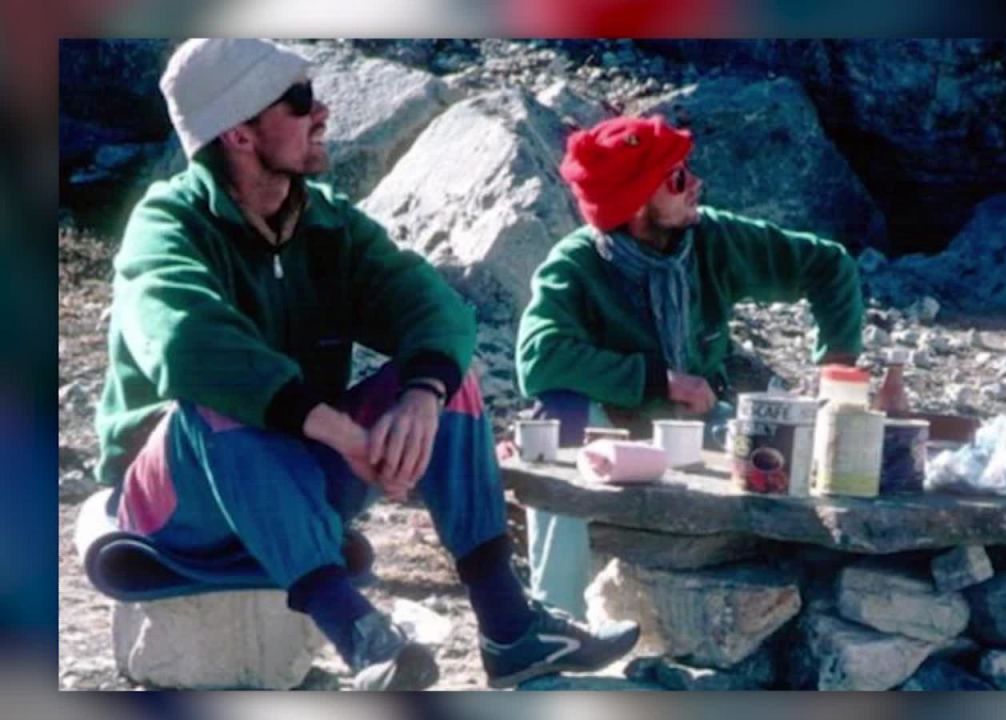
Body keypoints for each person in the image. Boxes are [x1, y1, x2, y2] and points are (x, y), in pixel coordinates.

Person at [94, 38, 638, 691]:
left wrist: (421, 396)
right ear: (238, 134)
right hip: (178, 503)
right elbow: (186, 341)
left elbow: (433, 307)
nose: (321, 112)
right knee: (211, 393)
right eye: (298, 101)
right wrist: (331, 426)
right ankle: (360, 635)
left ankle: (510, 627)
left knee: (447, 375)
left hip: (298, 477)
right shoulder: (169, 223)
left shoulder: (327, 224)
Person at [515, 115, 865, 618]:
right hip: (611, 434)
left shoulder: (711, 238)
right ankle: (558, 620)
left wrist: (836, 372)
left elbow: (828, 266)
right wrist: (661, 381)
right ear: (634, 203)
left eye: (688, 171)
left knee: (800, 449)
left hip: (700, 422)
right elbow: (539, 359)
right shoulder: (575, 266)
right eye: (677, 178)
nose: (696, 184)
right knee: (558, 412)